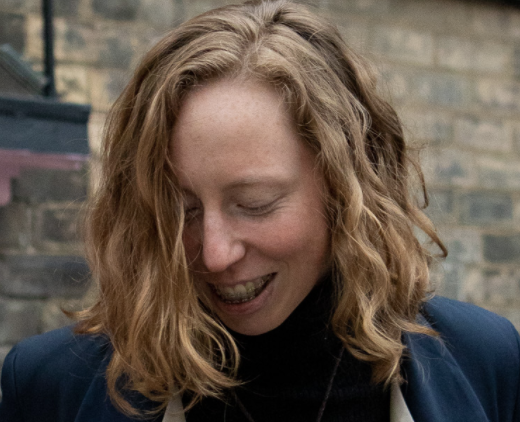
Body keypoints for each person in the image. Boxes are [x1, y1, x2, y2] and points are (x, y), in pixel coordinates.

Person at [1, 1, 519, 421]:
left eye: (255, 204)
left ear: (346, 189)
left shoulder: (486, 360)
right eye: (180, 209)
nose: (215, 254)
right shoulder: (49, 385)